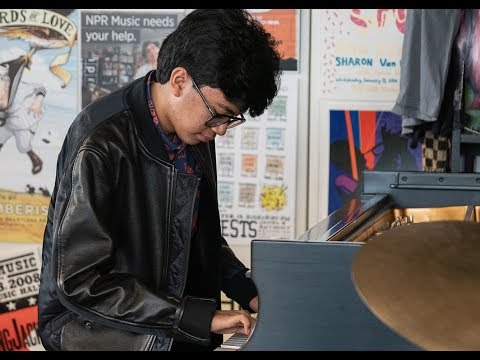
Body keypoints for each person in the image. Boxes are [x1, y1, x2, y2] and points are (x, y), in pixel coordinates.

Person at [38, 9, 281, 352]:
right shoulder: (100, 143)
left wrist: (247, 290)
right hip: (90, 324)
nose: (222, 129)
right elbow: (79, 282)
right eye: (219, 114)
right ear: (180, 81)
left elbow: (196, 234)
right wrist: (193, 317)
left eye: (231, 119)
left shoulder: (195, 130)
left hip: (164, 315)